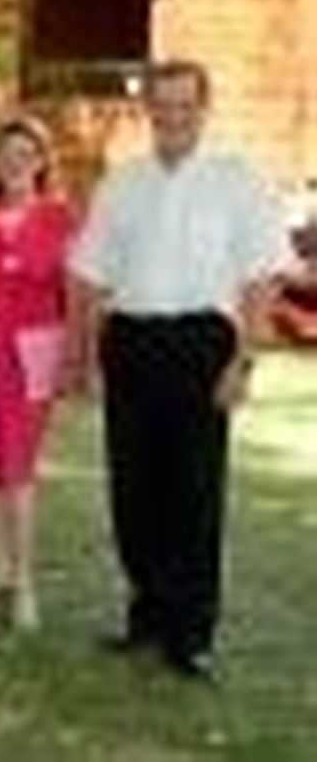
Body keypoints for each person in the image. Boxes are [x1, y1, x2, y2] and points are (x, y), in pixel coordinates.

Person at [69, 60, 287, 682]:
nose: (172, 115)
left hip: (201, 345)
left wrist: (243, 362)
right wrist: (84, 358)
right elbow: (89, 276)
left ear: (203, 107)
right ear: (148, 110)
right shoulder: (122, 183)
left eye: (184, 104)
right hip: (131, 342)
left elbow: (261, 279)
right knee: (133, 491)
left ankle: (190, 634)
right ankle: (147, 616)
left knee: (194, 492)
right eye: (161, 105)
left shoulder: (237, 180)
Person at [0, 117, 75, 631]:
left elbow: (74, 292)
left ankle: (25, 582)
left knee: (17, 467)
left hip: (34, 352)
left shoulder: (60, 218)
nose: (15, 163)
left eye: (26, 154)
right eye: (5, 155)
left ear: (42, 161)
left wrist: (74, 356)